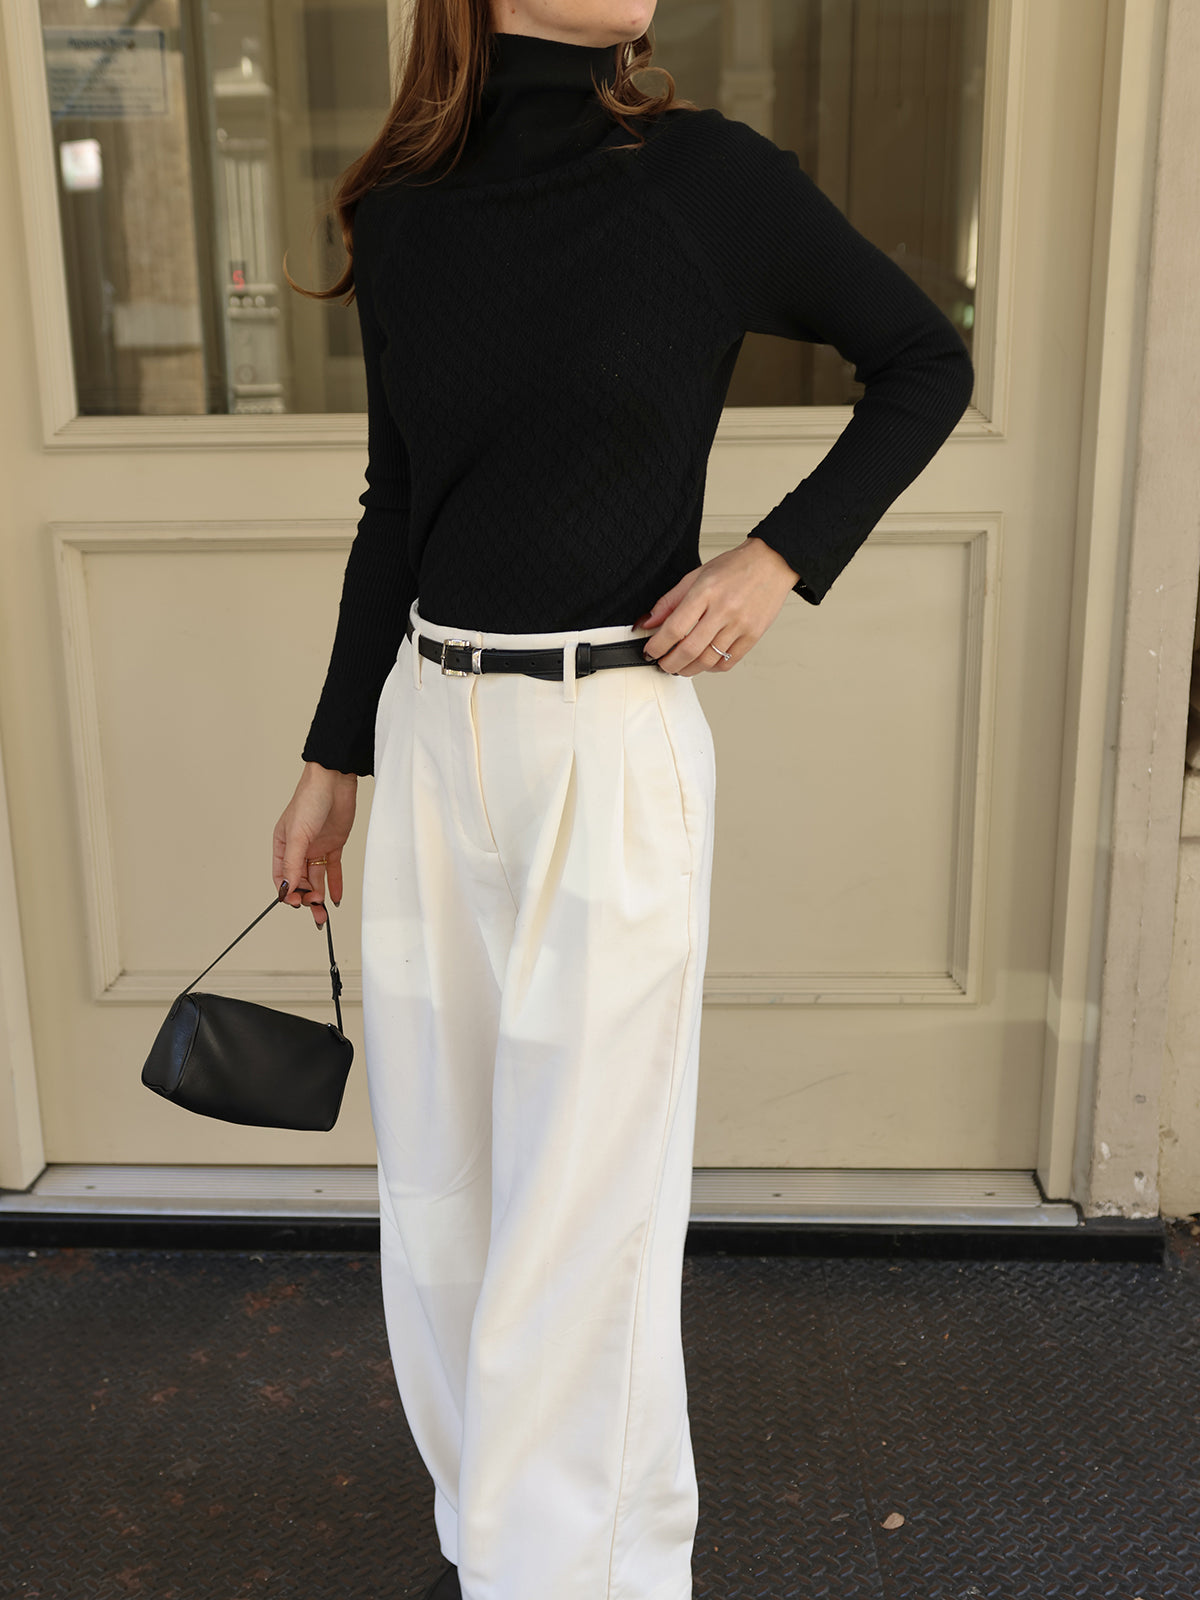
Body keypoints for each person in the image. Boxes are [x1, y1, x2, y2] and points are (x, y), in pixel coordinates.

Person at [273, 3, 975, 1596]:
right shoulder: (400, 205)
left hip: (612, 738)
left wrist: (778, 559)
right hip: (433, 727)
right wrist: (333, 758)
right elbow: (400, 494)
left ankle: (554, 1571)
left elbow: (926, 360)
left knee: (588, 1208)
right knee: (444, 1192)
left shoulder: (703, 181)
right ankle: (535, 1549)